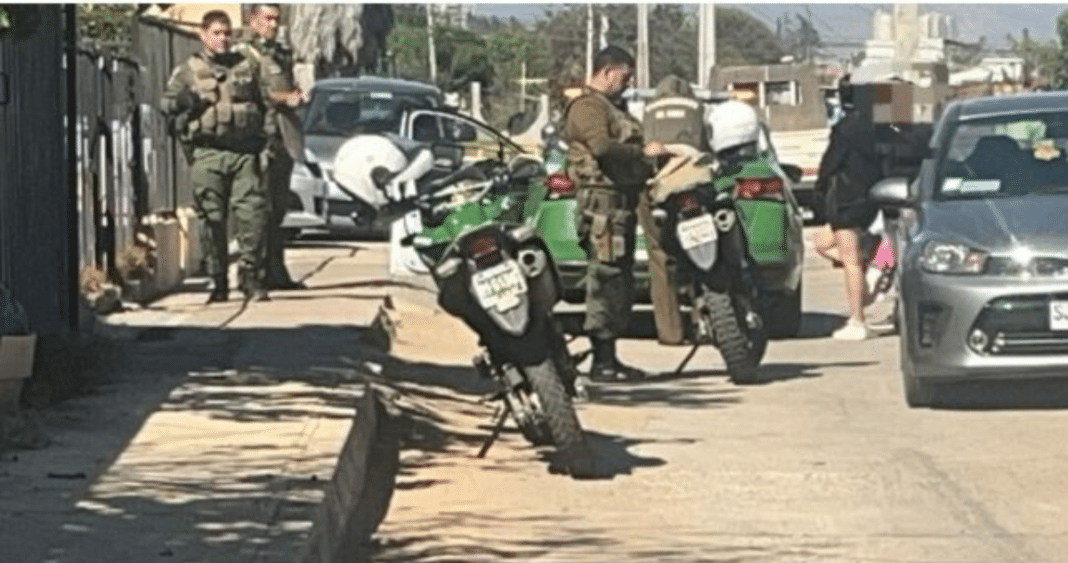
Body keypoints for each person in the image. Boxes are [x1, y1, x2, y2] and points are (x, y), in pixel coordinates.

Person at [563, 46, 666, 380]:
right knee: (605, 278)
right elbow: (603, 148)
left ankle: (611, 357)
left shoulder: (611, 107)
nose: (627, 83)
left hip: (621, 202)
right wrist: (641, 152)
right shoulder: (588, 107)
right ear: (607, 72)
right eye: (624, 76)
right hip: (601, 204)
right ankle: (602, 359)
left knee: (619, 280)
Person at [161, 10, 270, 303]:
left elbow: (265, 104)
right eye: (217, 33)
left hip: (244, 153)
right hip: (208, 152)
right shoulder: (188, 69)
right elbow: (167, 103)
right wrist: (188, 101)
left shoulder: (247, 67)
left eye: (226, 33)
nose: (222, 39)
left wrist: (266, 142)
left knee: (251, 217)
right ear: (203, 34)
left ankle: (250, 276)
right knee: (212, 219)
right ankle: (218, 279)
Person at [238, 3, 307, 290]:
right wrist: (282, 98)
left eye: (277, 19)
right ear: (253, 21)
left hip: (282, 137)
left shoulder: (280, 53)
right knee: (259, 209)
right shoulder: (244, 53)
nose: (273, 24)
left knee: (278, 209)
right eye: (267, 19)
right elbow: (247, 91)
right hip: (261, 137)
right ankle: (253, 273)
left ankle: (276, 269)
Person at [639, 74, 709, 345]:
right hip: (696, 185)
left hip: (658, 188)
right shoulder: (699, 109)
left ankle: (671, 333)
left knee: (660, 257)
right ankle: (710, 317)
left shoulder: (646, 112)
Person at [813, 77, 882, 340]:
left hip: (846, 199)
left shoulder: (845, 128)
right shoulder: (882, 129)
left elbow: (830, 163)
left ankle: (857, 319)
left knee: (850, 262)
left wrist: (819, 195)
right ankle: (877, 265)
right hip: (870, 199)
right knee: (827, 244)